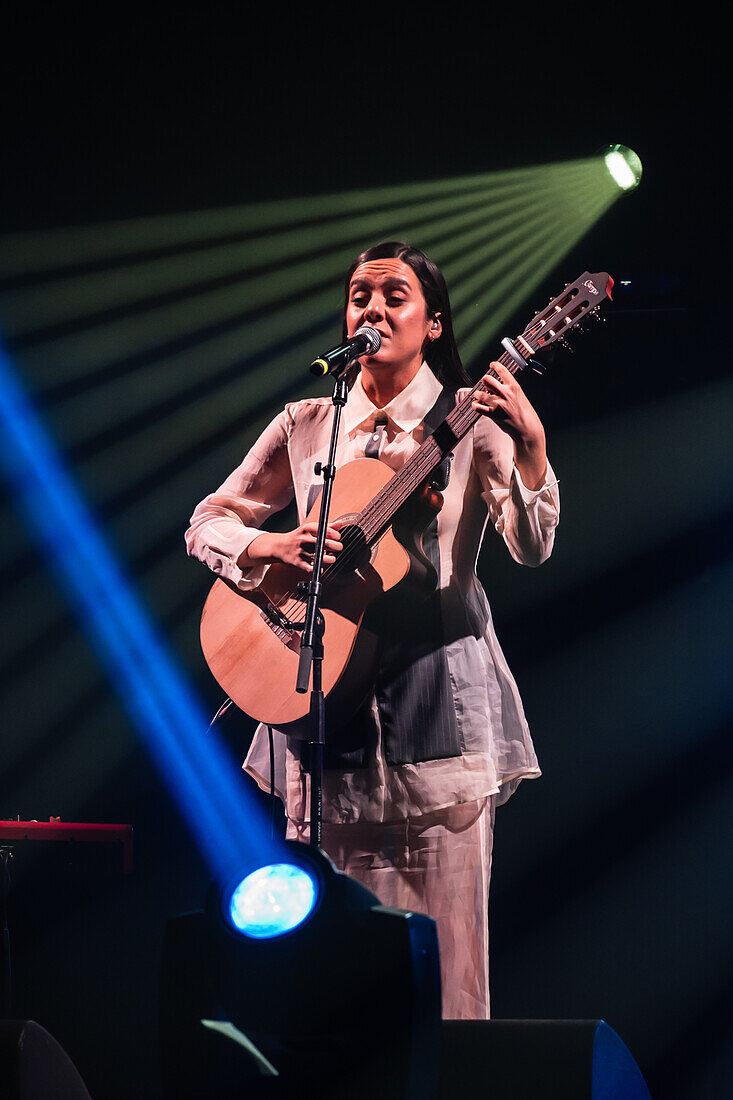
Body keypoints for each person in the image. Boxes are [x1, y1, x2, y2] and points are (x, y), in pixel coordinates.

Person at [185, 241, 559, 1019]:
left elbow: (531, 547)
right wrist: (272, 546)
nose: (372, 309)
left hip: (436, 719)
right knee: (334, 985)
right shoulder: (308, 426)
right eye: (359, 295)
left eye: (394, 295)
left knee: (450, 979)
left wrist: (530, 447)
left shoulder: (470, 421)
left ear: (431, 324)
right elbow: (207, 522)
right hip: (323, 719)